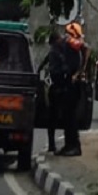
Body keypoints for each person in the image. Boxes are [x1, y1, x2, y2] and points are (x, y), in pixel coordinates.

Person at [57, 21, 90, 157]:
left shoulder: (74, 44)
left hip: (72, 85)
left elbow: (87, 48)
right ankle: (69, 145)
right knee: (67, 117)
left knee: (70, 118)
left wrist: (78, 72)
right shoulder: (75, 45)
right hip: (71, 83)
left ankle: (73, 146)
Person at [38, 31, 68, 154]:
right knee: (61, 117)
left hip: (54, 87)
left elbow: (41, 66)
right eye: (60, 39)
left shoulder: (52, 52)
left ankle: (52, 144)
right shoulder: (58, 52)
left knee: (52, 118)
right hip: (60, 87)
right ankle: (57, 144)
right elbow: (64, 68)